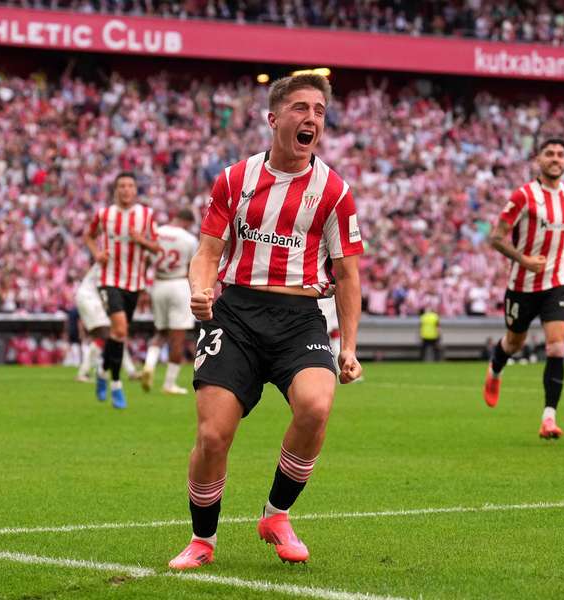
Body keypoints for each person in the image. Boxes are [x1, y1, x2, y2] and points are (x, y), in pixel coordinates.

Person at [168, 74, 364, 570]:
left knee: (316, 406)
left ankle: (276, 515)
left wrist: (349, 346)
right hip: (235, 315)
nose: (311, 119)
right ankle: (202, 540)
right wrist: (199, 287)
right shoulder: (234, 179)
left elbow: (347, 274)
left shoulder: (335, 192)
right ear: (274, 119)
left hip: (300, 318)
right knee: (213, 436)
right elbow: (208, 251)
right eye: (301, 108)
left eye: (319, 110)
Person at [485, 138, 564, 439]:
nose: (556, 159)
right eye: (549, 154)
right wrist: (523, 260)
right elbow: (496, 237)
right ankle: (495, 370)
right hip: (523, 284)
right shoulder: (524, 196)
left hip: (558, 281)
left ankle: (549, 418)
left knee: (556, 345)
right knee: (514, 343)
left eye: (560, 154)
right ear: (538, 160)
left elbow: (561, 238)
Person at [83, 172, 160, 408]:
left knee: (118, 335)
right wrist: (97, 254)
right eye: (121, 186)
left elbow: (156, 248)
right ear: (116, 190)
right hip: (108, 279)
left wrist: (141, 241)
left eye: (130, 186)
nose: (126, 190)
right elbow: (88, 235)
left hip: (134, 283)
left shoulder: (146, 216)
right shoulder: (104, 215)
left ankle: (102, 371)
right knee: (120, 329)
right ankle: (116, 384)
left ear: (135, 190)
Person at [141, 208, 199, 395]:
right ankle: (169, 383)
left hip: (158, 284)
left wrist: (143, 287)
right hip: (178, 284)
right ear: (187, 222)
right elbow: (193, 267)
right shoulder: (189, 239)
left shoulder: (156, 233)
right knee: (178, 337)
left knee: (161, 332)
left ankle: (149, 364)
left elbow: (145, 261)